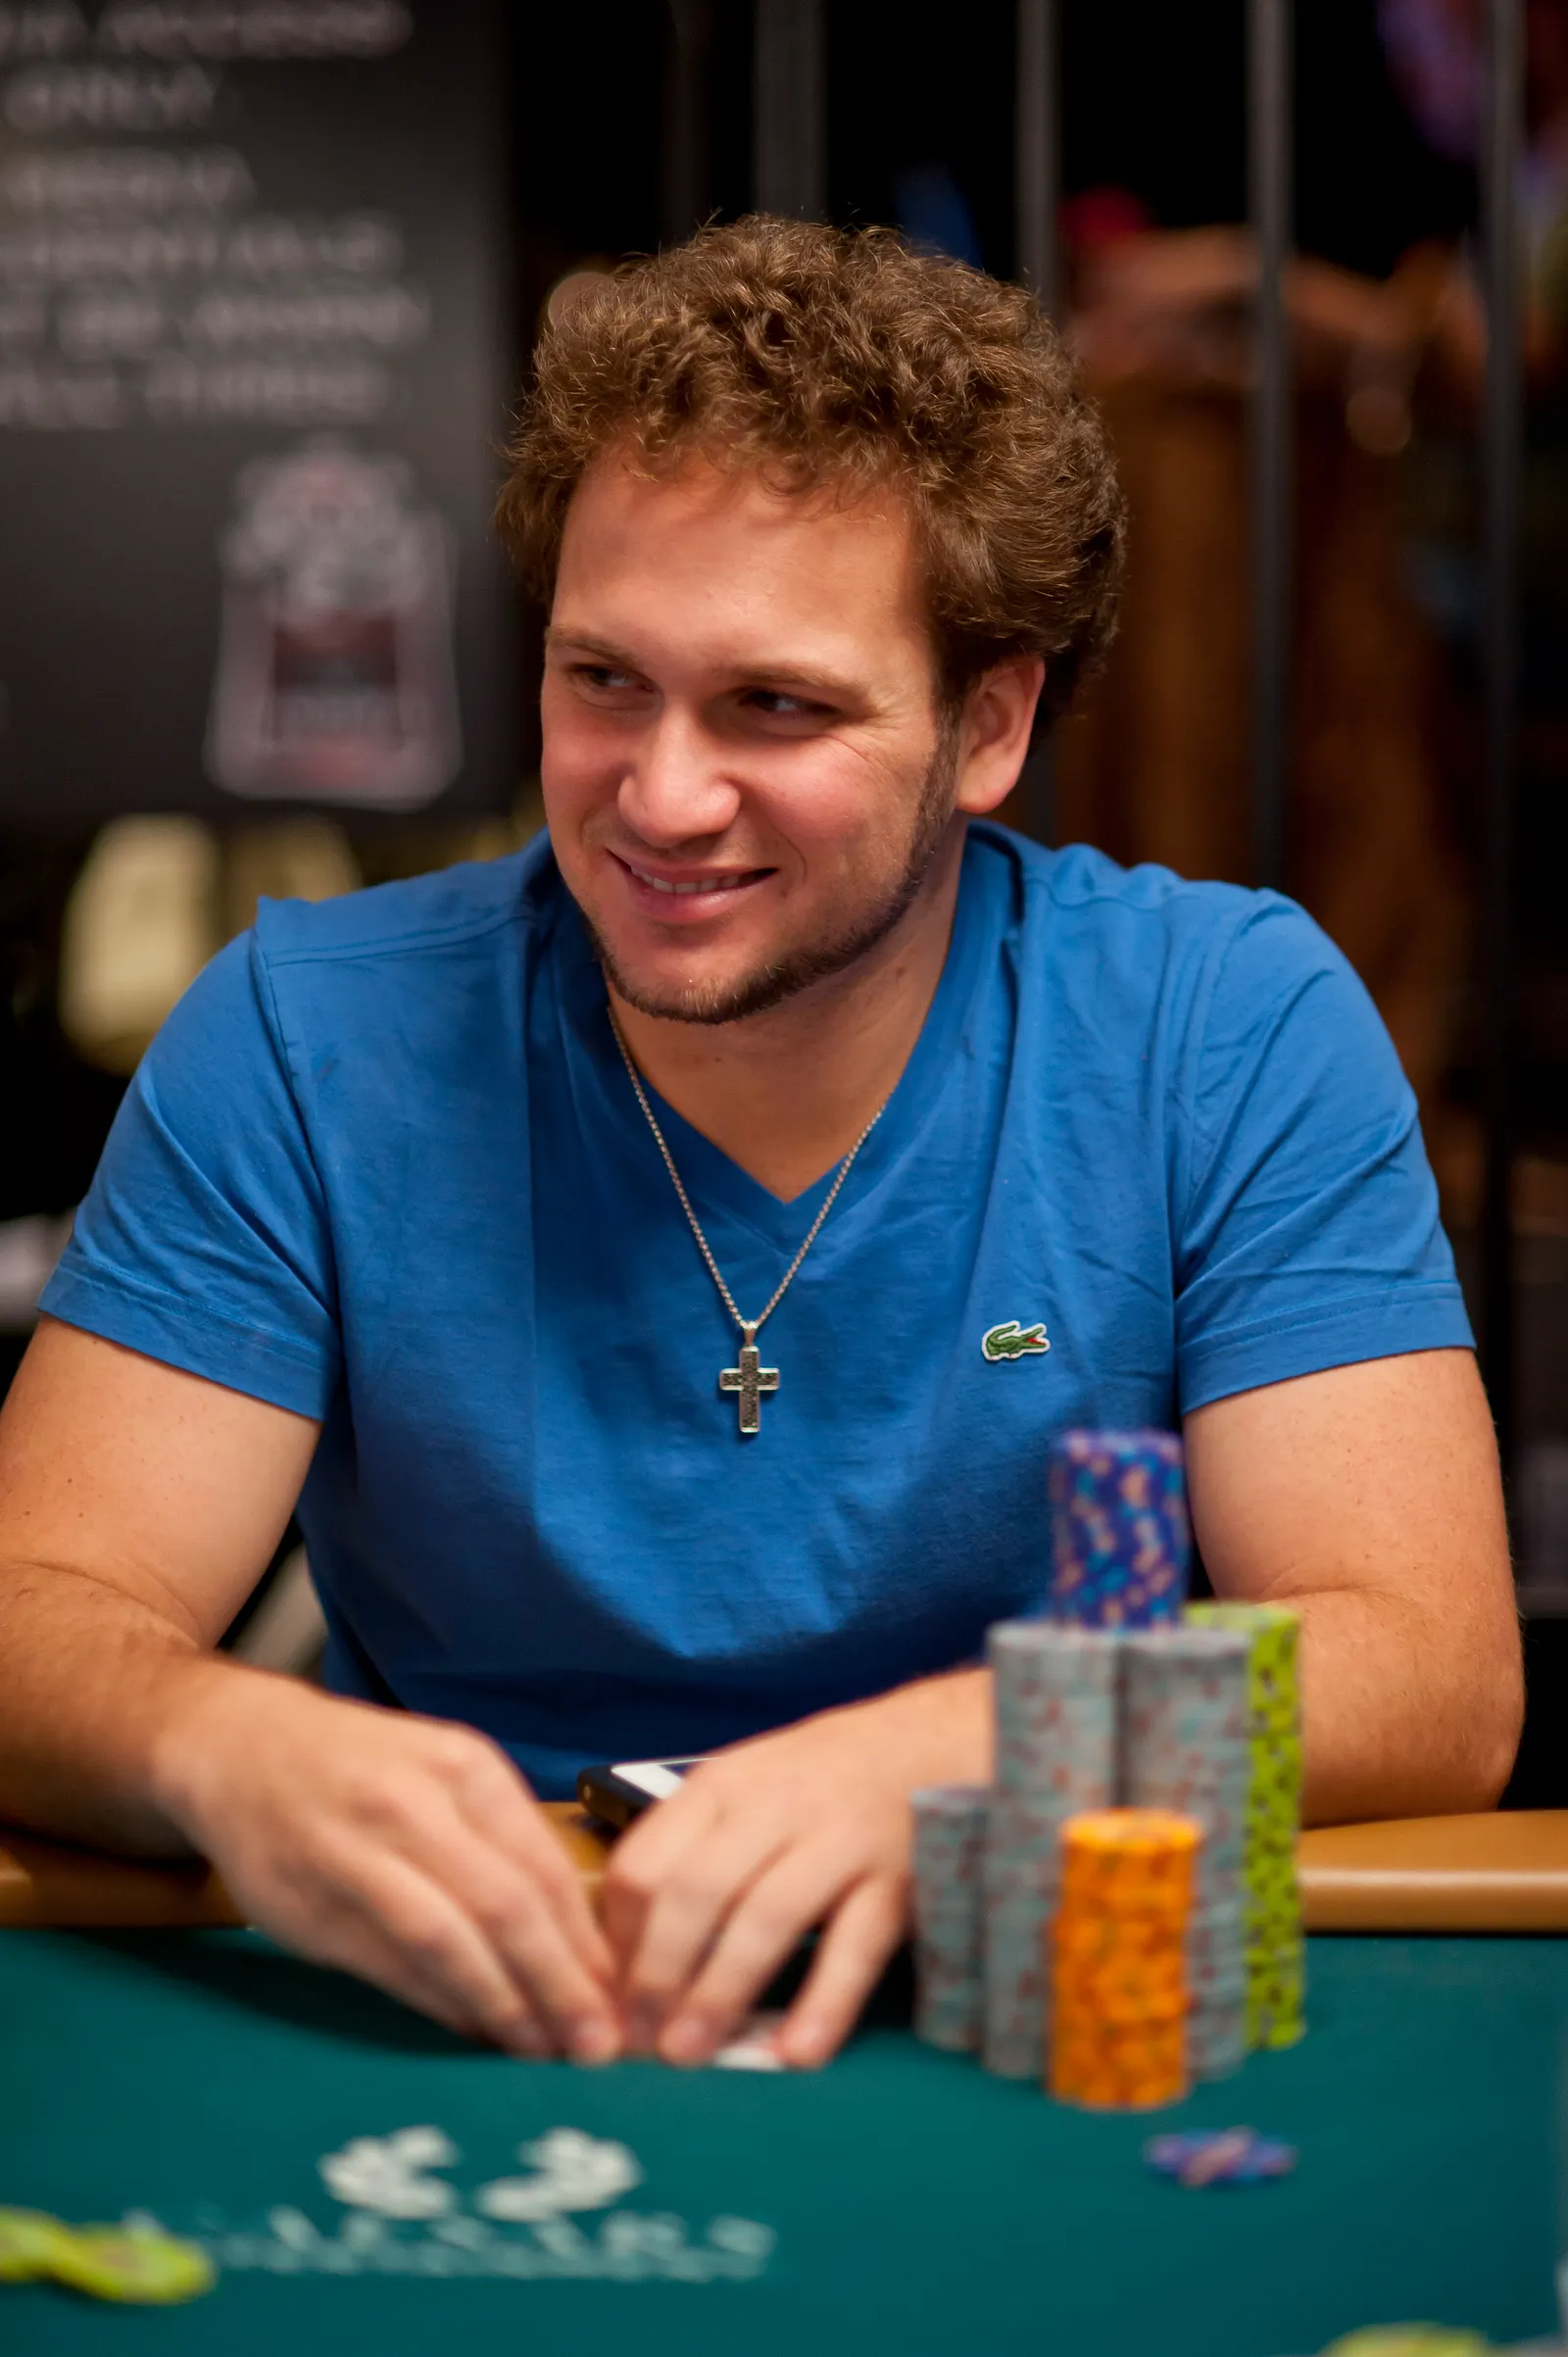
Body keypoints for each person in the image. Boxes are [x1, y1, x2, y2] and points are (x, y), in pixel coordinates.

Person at [0, 218, 1521, 2073]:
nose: (659, 795)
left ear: (989, 724)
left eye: (774, 706)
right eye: (603, 680)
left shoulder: (1223, 1021)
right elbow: (36, 1614)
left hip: (1018, 2002)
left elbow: (1431, 1671)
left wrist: (952, 1756)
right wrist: (218, 1740)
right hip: (473, 1999)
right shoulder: (310, 1032)